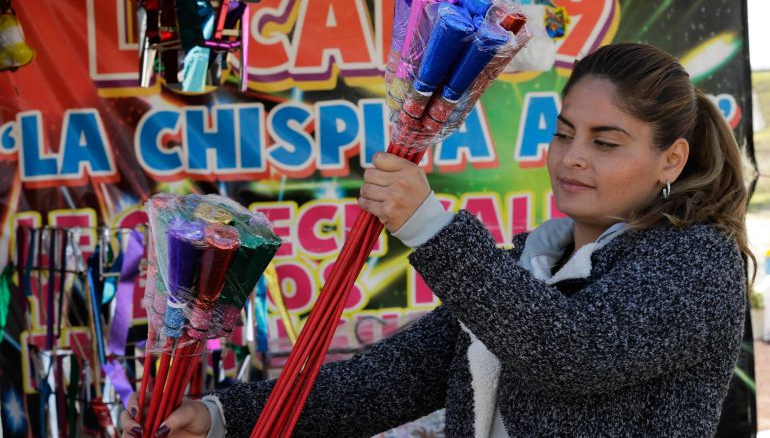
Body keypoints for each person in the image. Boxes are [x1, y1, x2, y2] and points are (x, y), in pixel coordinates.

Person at [121, 43, 752, 437]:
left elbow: (573, 352)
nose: (573, 157)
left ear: (671, 159)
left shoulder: (697, 263)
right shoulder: (529, 264)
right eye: (564, 133)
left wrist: (430, 226)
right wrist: (222, 417)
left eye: (605, 142)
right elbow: (387, 380)